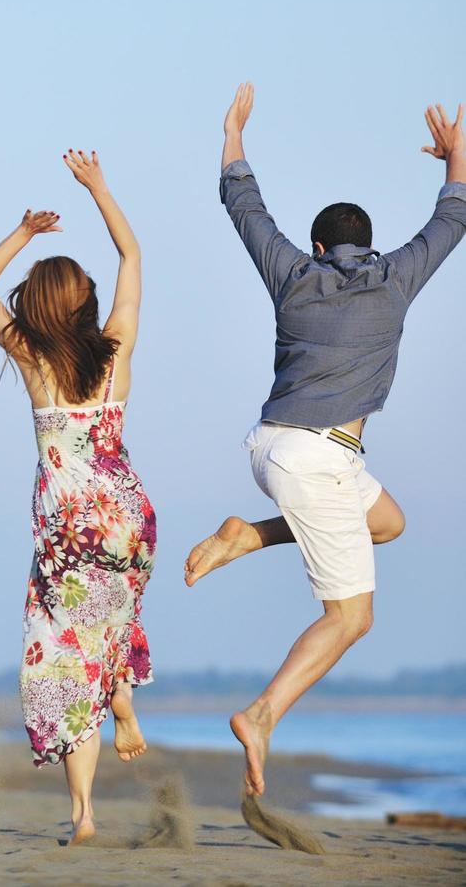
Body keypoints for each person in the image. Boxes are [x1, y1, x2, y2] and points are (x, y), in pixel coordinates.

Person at [183, 87, 466, 797]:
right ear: (369, 245)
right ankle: (260, 714)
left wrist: (233, 132)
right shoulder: (397, 277)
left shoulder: (292, 273)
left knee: (388, 523)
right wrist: (454, 152)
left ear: (316, 247)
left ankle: (249, 535)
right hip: (320, 457)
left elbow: (244, 208)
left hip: (270, 446)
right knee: (351, 617)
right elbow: (455, 211)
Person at [0, 150, 155, 845]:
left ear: (38, 306)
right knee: (107, 625)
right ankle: (122, 692)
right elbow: (132, 255)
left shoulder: (32, 359)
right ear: (87, 302)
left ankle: (84, 816)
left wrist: (21, 233)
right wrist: (100, 186)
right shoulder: (117, 349)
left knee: (60, 655)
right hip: (126, 517)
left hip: (67, 530)